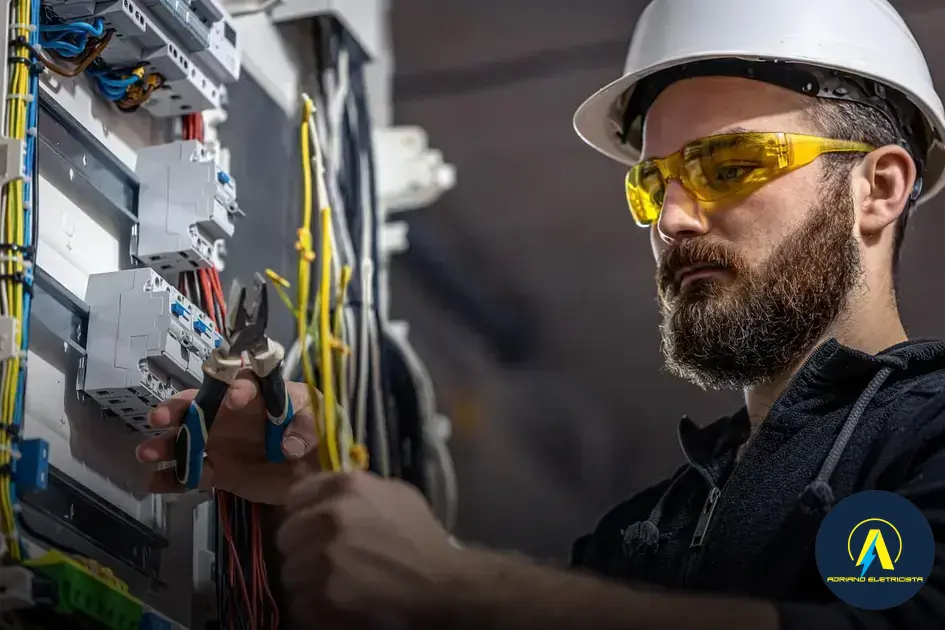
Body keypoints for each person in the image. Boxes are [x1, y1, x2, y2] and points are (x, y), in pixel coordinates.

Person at [136, 0, 945, 628]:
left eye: (728, 164)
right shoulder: (640, 536)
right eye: (651, 183)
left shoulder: (928, 437)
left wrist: (459, 587)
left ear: (877, 189)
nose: (671, 219)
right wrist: (301, 508)